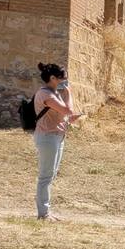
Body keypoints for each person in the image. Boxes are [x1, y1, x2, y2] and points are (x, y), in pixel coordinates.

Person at [30, 62, 84, 221]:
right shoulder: (46, 94)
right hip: (48, 138)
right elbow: (67, 110)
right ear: (52, 78)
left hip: (56, 136)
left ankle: (46, 211)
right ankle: (43, 214)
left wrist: (68, 121)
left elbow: (59, 115)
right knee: (45, 176)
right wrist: (69, 93)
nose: (64, 81)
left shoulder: (53, 93)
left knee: (50, 175)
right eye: (62, 79)